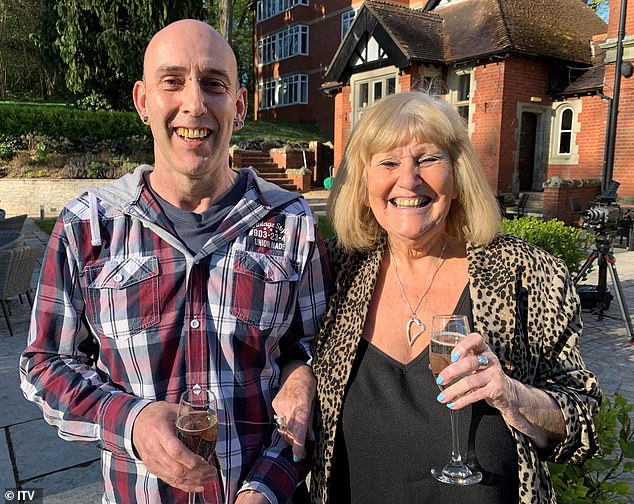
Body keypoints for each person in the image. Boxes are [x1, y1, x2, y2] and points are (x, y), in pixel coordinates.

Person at [20, 19, 330, 504]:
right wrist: (132, 421)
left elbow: (318, 354)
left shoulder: (291, 222)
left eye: (213, 84)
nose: (194, 103)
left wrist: (266, 488)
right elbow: (44, 364)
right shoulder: (90, 225)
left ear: (240, 106)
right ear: (143, 101)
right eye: (172, 81)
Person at [309, 92, 601, 504]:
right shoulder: (335, 269)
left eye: (428, 159)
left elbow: (582, 420)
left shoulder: (526, 274)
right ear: (362, 182)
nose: (408, 181)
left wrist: (514, 396)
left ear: (458, 174)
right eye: (388, 162)